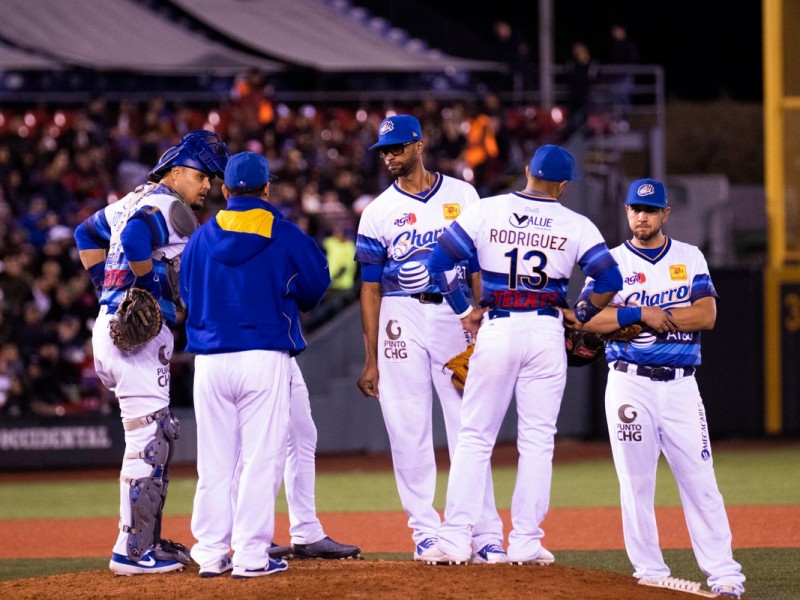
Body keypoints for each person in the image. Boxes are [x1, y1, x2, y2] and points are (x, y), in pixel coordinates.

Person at [424, 144, 623, 565]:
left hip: (497, 324)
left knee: (475, 436)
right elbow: (610, 277)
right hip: (547, 327)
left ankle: (457, 538)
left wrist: (464, 310)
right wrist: (581, 312)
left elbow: (437, 263)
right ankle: (526, 542)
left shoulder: (487, 209)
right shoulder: (576, 223)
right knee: (537, 442)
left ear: (528, 168)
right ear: (564, 185)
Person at [575, 178, 746, 598]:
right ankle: (650, 573)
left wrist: (653, 317)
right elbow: (587, 320)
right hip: (629, 384)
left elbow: (706, 315)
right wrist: (638, 312)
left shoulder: (689, 257)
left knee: (700, 480)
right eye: (635, 208)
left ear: (665, 214)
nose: (641, 216)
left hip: (681, 387)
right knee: (635, 482)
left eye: (650, 210)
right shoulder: (610, 262)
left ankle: (725, 577)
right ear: (627, 212)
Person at [73, 130, 231, 575]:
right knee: (148, 441)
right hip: (138, 340)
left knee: (153, 437)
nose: (208, 185)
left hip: (111, 328)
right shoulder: (168, 206)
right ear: (177, 170)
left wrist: (107, 289)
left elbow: (85, 233)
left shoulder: (129, 200)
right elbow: (141, 237)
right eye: (203, 175)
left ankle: (145, 542)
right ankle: (132, 551)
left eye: (213, 178)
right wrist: (140, 287)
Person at [355, 114, 506, 564]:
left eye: (397, 148)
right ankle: (425, 530)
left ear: (419, 145)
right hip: (399, 315)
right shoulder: (377, 211)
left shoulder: (463, 195)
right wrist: (370, 359)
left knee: (469, 424)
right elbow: (369, 287)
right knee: (407, 427)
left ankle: (484, 532)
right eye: (384, 150)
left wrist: (483, 324)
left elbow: (478, 266)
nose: (389, 156)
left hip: (454, 313)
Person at [180, 151, 331, 578]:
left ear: (225, 191)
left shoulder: (201, 237)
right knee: (262, 459)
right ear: (267, 189)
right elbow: (317, 286)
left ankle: (209, 554)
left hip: (209, 361)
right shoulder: (284, 234)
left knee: (215, 464)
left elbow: (186, 295)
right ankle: (249, 556)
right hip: (263, 356)